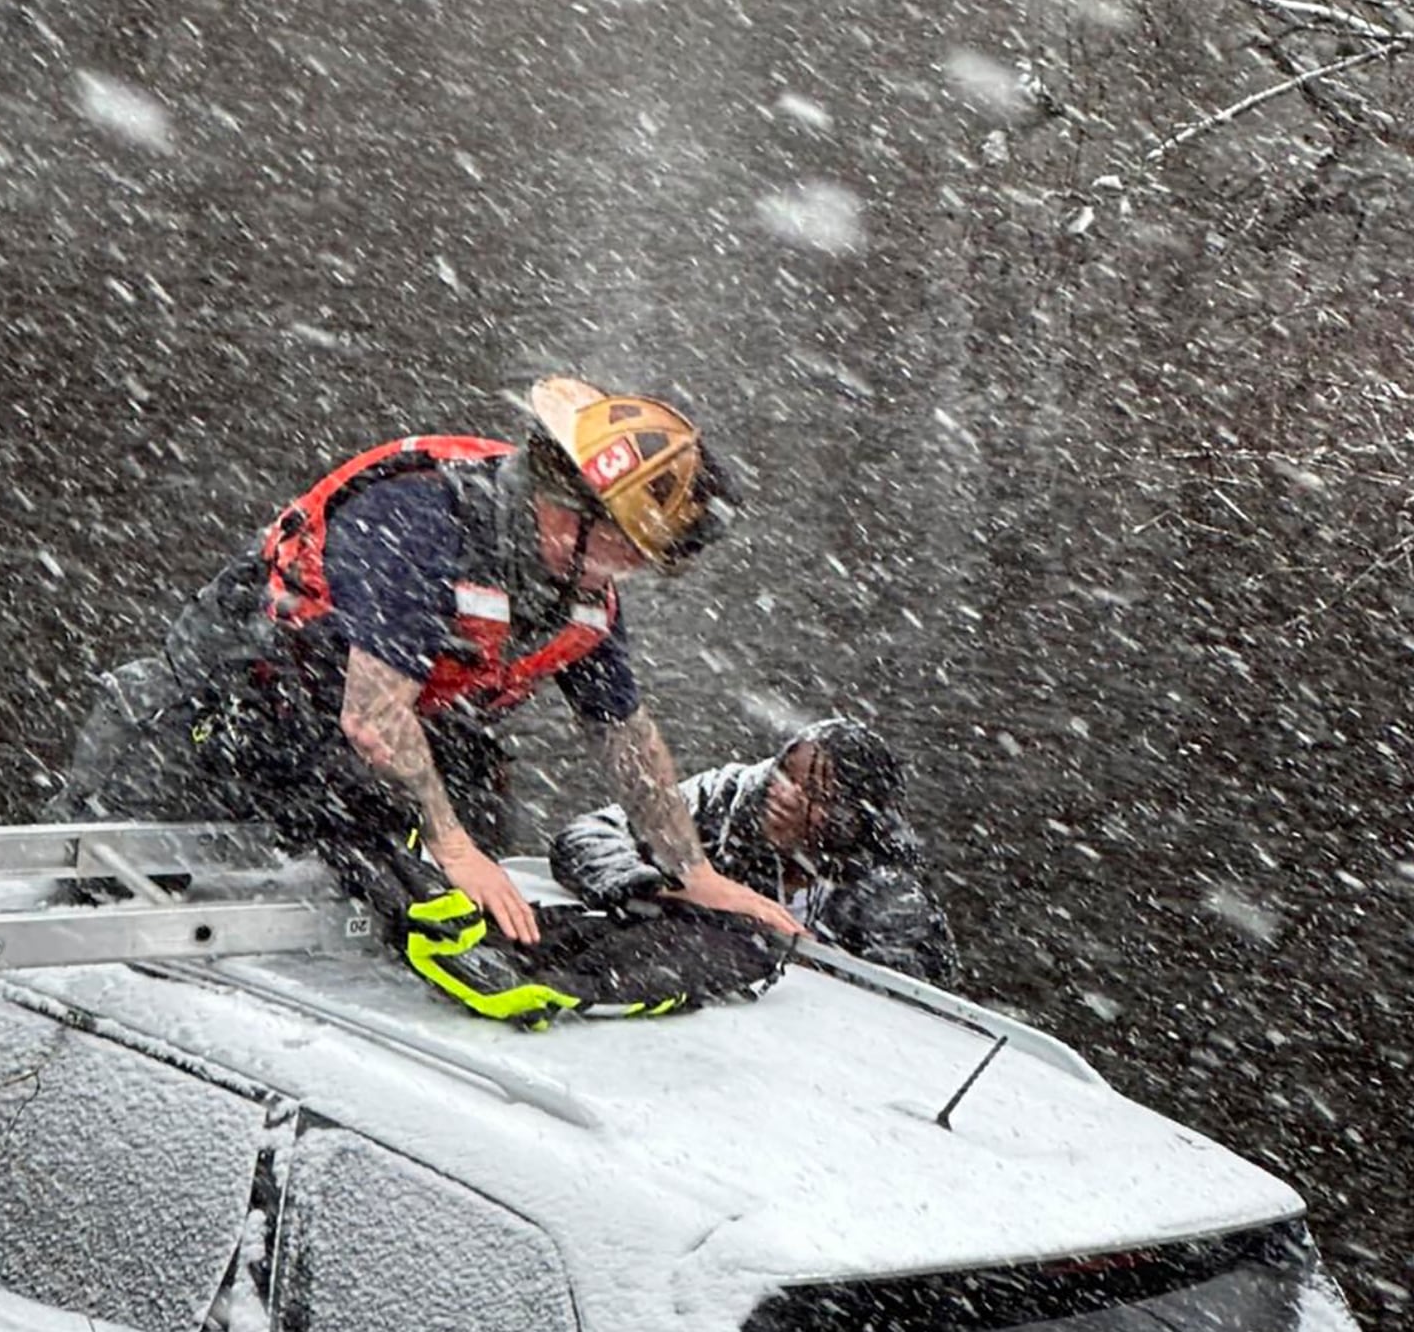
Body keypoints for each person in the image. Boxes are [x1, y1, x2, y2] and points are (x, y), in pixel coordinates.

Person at [53, 376, 803, 1022]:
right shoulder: (420, 517)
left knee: (468, 793)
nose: (626, 575)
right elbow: (373, 715)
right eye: (626, 551)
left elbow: (624, 735)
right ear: (572, 511)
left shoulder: (579, 591)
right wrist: (450, 846)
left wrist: (691, 870)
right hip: (209, 730)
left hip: (356, 750)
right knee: (115, 900)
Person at [549, 717, 958, 985]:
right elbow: (588, 835)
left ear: (853, 816)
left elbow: (914, 994)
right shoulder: (724, 798)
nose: (785, 796)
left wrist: (809, 961)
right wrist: (662, 890)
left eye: (815, 794)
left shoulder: (887, 889)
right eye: (785, 776)